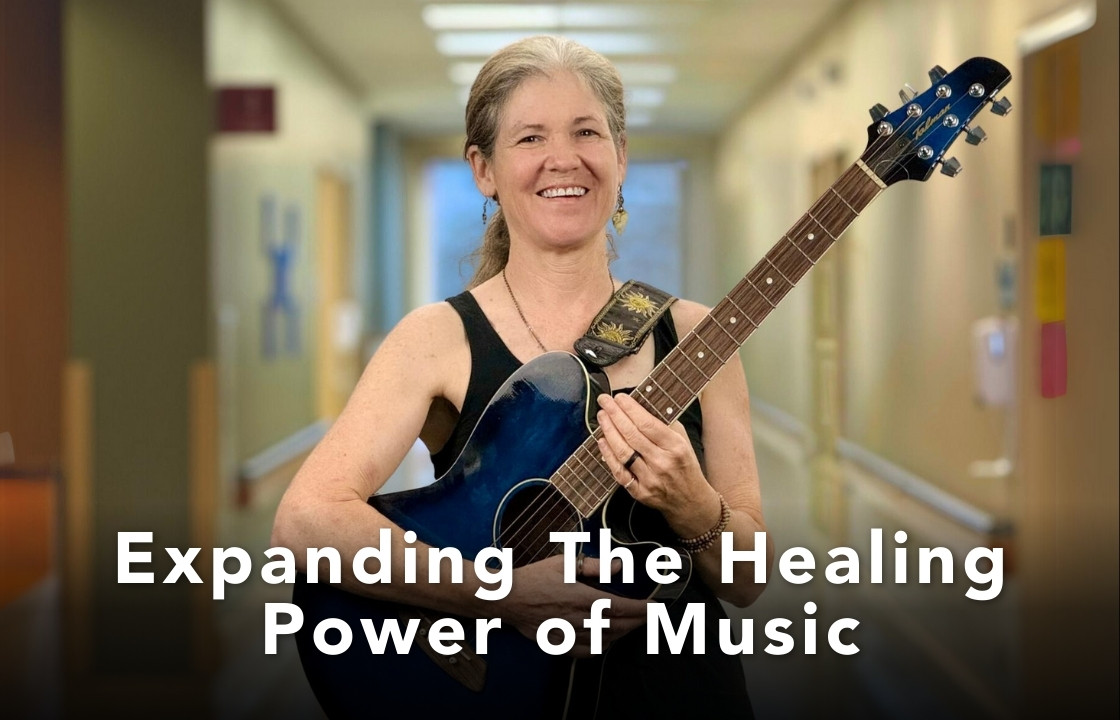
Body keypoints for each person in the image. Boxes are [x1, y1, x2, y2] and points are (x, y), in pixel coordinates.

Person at [272, 35, 772, 719]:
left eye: (587, 132)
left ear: (620, 156)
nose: (563, 159)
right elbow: (305, 521)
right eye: (530, 137)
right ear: (484, 168)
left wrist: (691, 503)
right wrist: (494, 592)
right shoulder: (436, 338)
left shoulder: (697, 335)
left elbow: (746, 582)